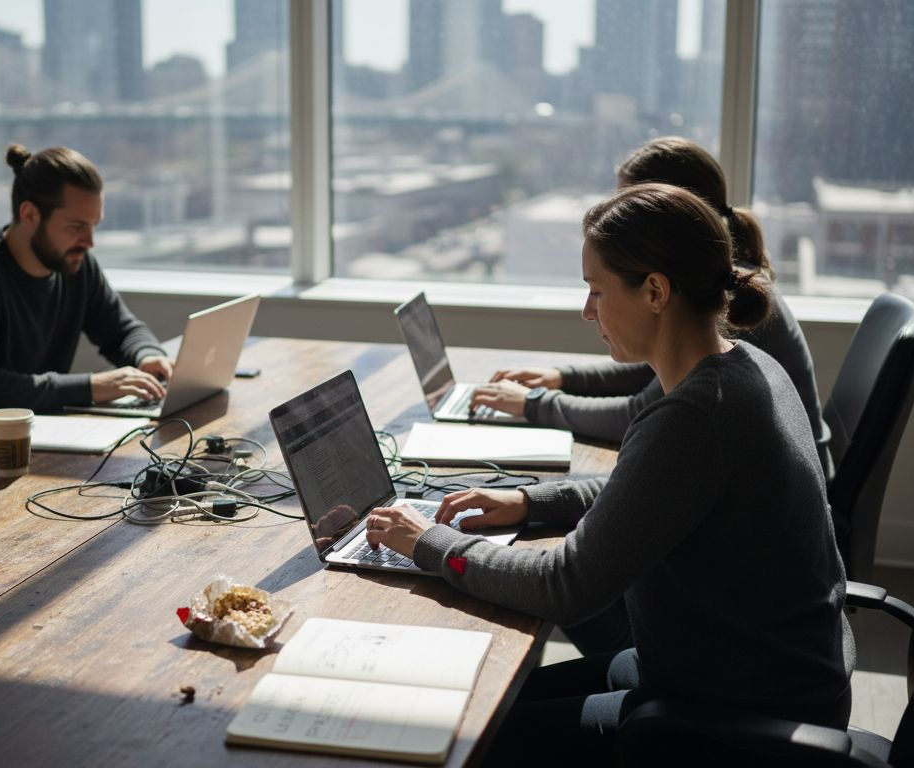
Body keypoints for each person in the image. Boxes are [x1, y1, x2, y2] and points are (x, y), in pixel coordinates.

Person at [365, 183, 854, 761]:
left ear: (654, 291)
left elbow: (565, 586)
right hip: (753, 672)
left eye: (596, 291)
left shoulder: (697, 415)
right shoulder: (748, 366)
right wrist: (533, 502)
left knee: (466, 742)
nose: (586, 310)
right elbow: (652, 489)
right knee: (491, 703)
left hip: (738, 713)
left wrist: (428, 541)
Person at [472, 137, 833, 482]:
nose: (618, 219)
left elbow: (641, 411)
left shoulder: (721, 303)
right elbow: (648, 373)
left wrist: (536, 405)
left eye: (631, 203)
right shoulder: (717, 280)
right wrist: (562, 377)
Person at [0, 145, 174, 431]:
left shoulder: (75, 263)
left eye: (94, 225)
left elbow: (122, 330)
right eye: (77, 226)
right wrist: (91, 387)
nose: (89, 241)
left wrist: (148, 355)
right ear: (30, 215)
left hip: (38, 433)